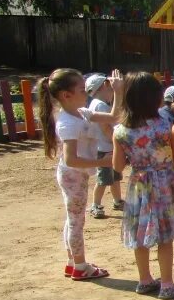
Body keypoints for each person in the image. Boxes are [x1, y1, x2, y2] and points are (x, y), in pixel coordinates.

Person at [36, 68, 124, 281]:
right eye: (82, 90)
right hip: (73, 175)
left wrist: (118, 91)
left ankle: (73, 262)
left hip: (77, 175)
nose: (86, 94)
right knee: (76, 221)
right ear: (67, 95)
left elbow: (113, 116)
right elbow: (71, 159)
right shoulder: (68, 122)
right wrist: (103, 161)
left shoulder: (81, 113)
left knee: (73, 218)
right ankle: (80, 266)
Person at [111, 71, 174, 299]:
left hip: (138, 185)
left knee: (140, 232)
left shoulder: (121, 131)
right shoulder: (165, 125)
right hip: (165, 183)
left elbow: (117, 166)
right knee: (164, 235)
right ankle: (167, 284)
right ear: (155, 98)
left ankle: (145, 279)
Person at [85, 73, 124, 219]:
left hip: (107, 147)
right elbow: (106, 128)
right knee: (103, 180)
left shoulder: (97, 103)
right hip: (105, 148)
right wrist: (118, 142)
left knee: (114, 178)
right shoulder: (100, 104)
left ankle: (117, 201)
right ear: (103, 86)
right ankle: (95, 205)